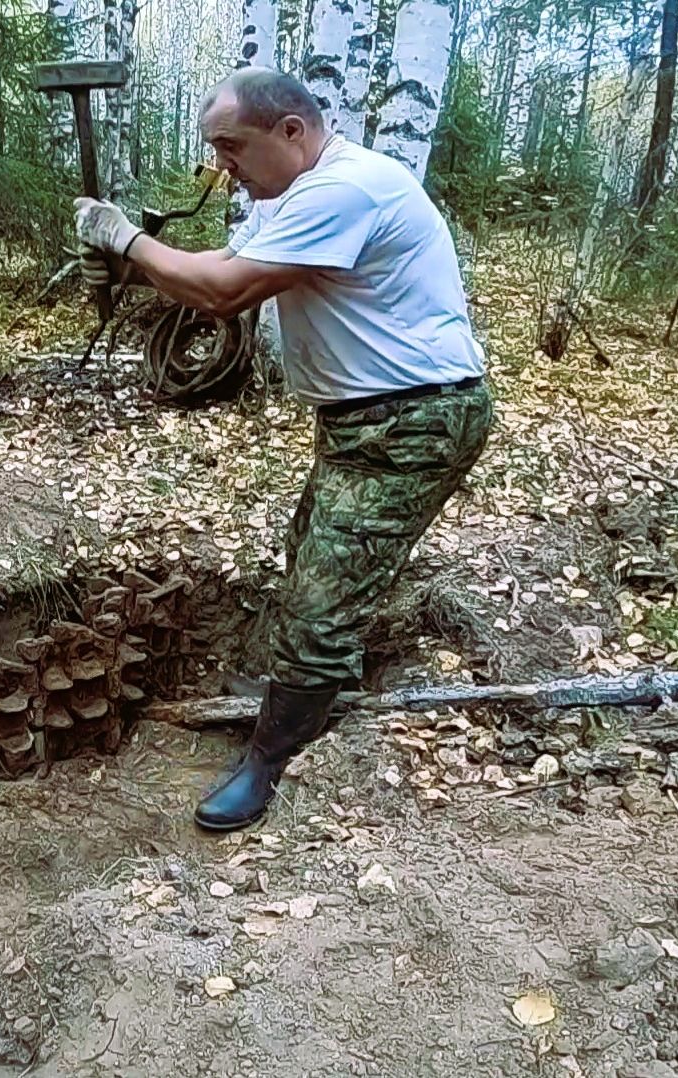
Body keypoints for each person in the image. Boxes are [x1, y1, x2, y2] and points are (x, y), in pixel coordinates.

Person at [73, 66, 492, 831]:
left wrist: (127, 240)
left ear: (291, 131)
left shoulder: (347, 189)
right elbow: (218, 271)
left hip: (414, 421)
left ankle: (271, 759)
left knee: (322, 600)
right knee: (314, 554)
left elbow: (225, 291)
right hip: (367, 422)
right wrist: (135, 265)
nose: (221, 165)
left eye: (232, 146)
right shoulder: (293, 196)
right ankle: (315, 684)